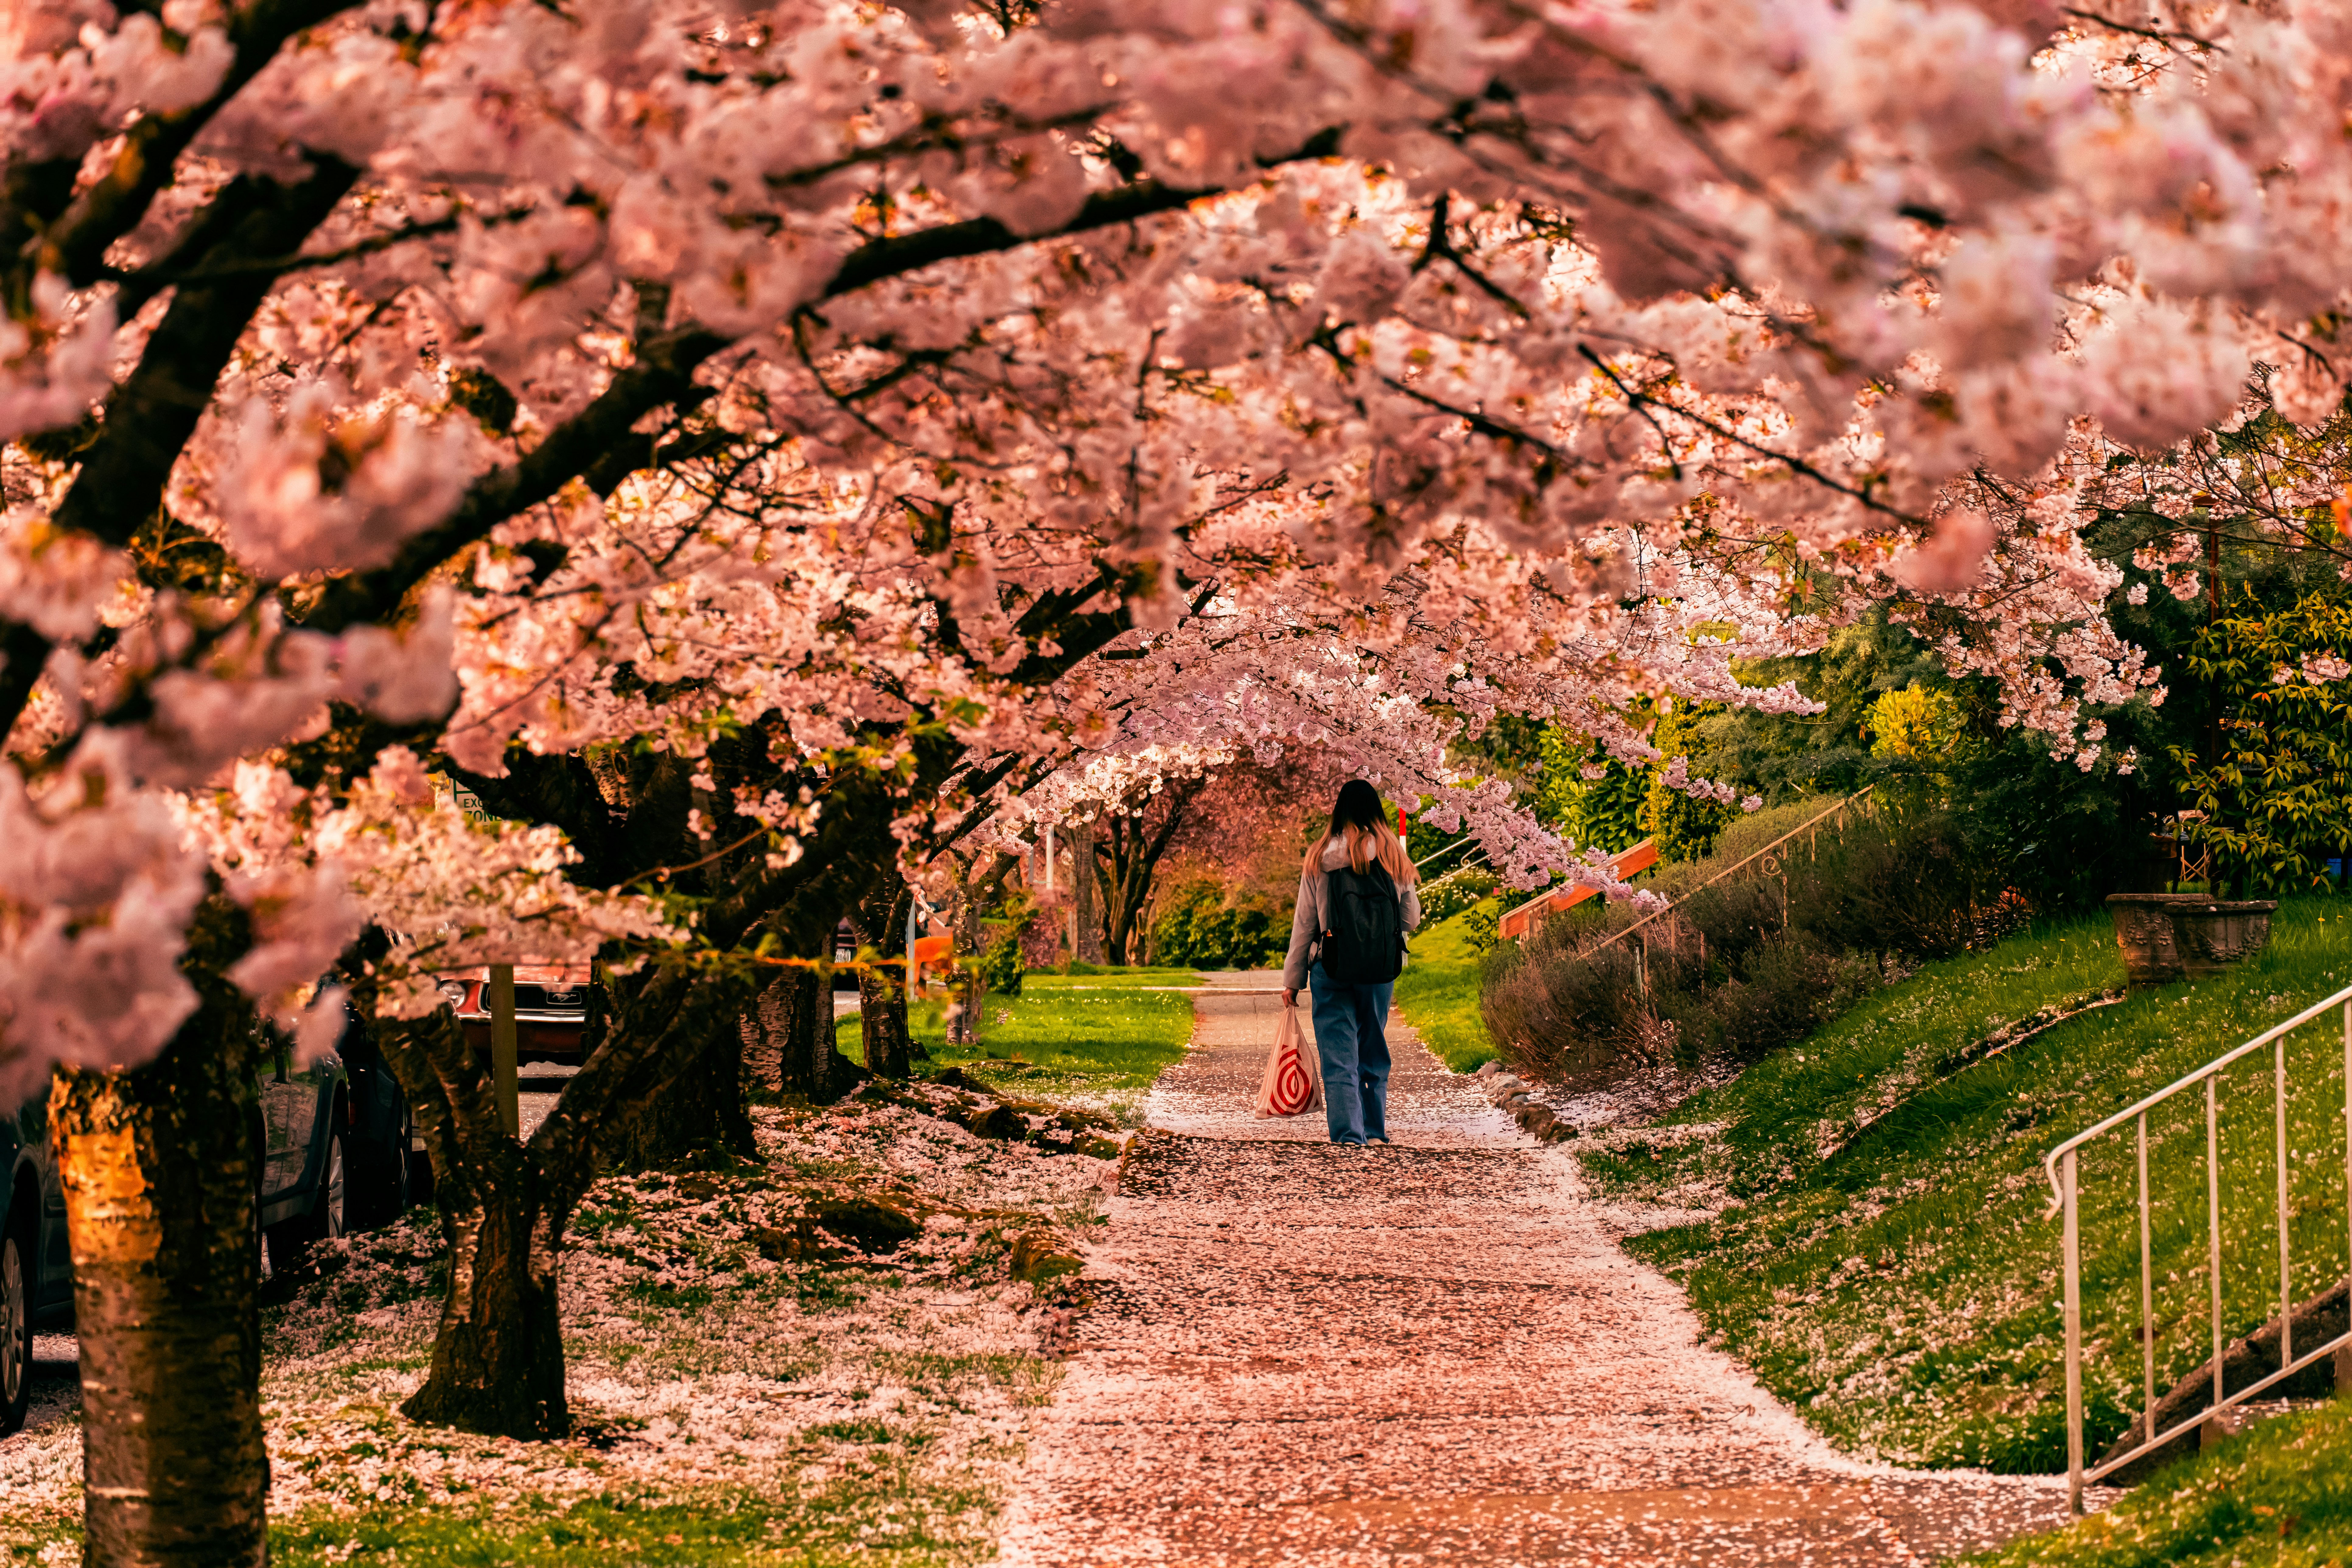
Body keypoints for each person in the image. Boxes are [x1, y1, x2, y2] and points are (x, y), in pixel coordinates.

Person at [1281, 780, 1423, 1147]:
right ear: (1376, 811)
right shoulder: (1393, 855)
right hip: (1379, 968)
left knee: (1338, 1052)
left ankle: (1348, 1135)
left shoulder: (1320, 857)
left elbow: (1305, 923)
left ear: (1339, 812)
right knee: (1373, 1045)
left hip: (1332, 965)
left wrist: (1293, 979)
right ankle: (1375, 1131)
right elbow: (1409, 919)